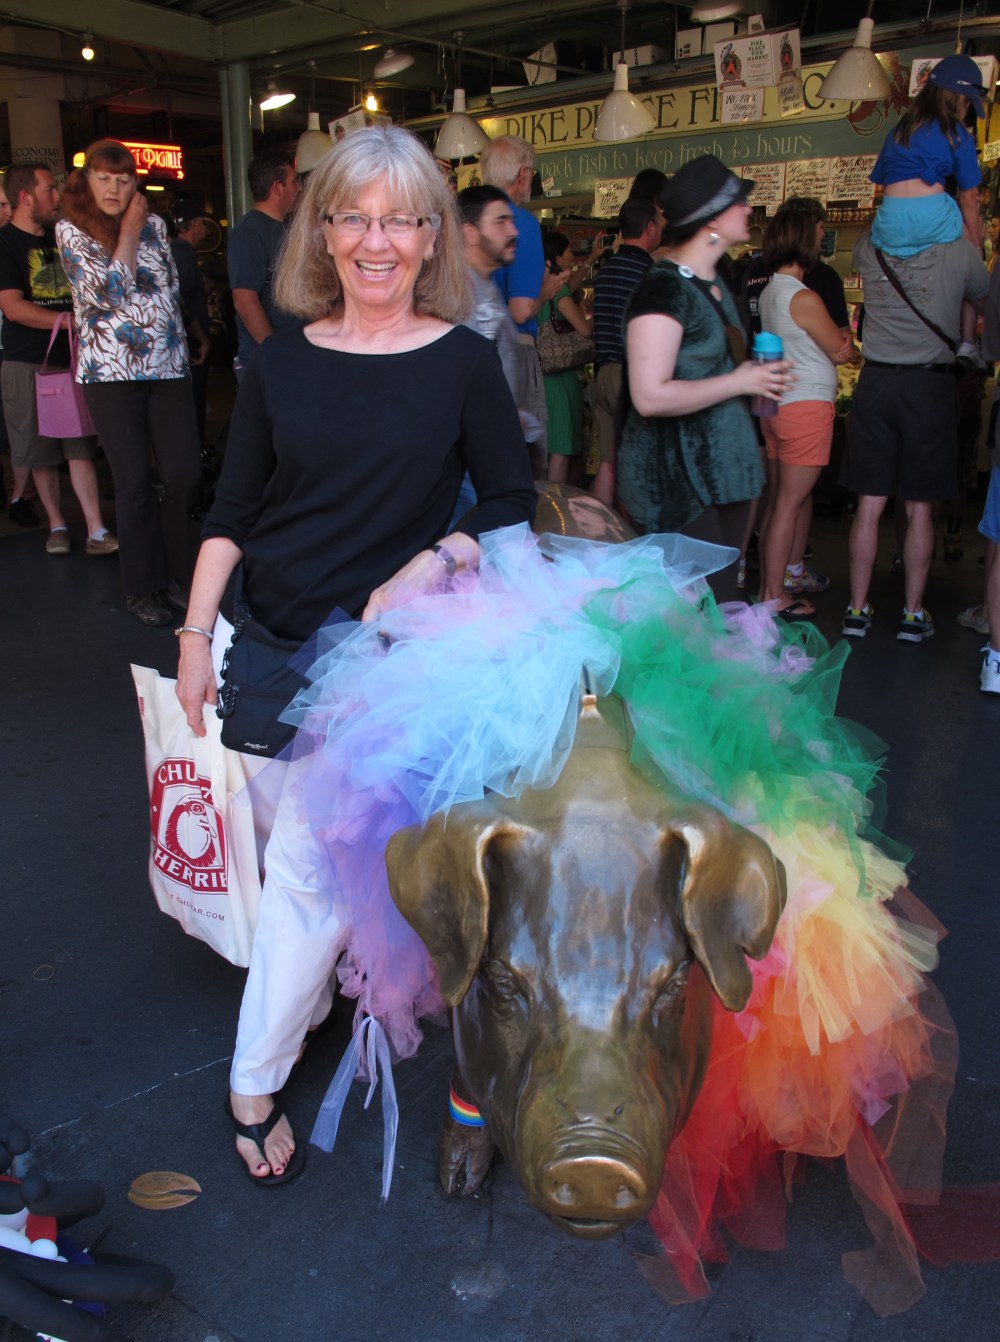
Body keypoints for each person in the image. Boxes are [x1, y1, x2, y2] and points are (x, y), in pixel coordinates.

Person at [174, 125, 536, 1184]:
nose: (376, 241)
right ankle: (308, 996)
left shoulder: (462, 360)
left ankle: (252, 1083)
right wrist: (194, 636)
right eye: (353, 218)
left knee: (306, 872)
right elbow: (233, 513)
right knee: (297, 853)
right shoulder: (280, 362)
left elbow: (510, 498)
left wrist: (435, 559)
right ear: (321, 232)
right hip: (272, 641)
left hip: (385, 660)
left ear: (431, 238)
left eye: (399, 220)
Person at [617, 155, 789, 602]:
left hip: (721, 479)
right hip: (678, 486)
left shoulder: (712, 282)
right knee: (694, 617)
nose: (748, 208)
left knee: (718, 610)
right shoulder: (663, 288)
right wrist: (741, 382)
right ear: (711, 217)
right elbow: (649, 396)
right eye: (738, 201)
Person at [56, 139, 202, 627]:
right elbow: (107, 293)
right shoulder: (72, 230)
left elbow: (170, 289)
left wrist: (186, 341)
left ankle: (180, 577)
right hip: (111, 373)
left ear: (135, 182)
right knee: (134, 482)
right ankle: (143, 587)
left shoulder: (157, 226)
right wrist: (130, 232)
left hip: (168, 366)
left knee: (183, 474)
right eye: (104, 178)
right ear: (87, 181)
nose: (114, 189)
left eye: (123, 179)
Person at [839, 222, 989, 642]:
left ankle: (856, 612)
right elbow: (986, 299)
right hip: (928, 383)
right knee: (920, 507)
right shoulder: (959, 250)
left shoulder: (870, 244)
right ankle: (912, 614)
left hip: (876, 382)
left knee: (869, 503)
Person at [0, 162, 116, 554]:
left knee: (80, 446)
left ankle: (96, 529)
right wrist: (70, 322)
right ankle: (57, 525)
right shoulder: (4, 244)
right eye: (49, 189)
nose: (57, 196)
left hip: (75, 358)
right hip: (27, 361)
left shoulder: (64, 235)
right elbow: (13, 307)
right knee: (39, 451)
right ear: (25, 197)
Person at [755, 209, 856, 620]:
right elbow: (841, 351)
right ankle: (774, 594)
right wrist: (845, 342)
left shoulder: (770, 292)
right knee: (789, 505)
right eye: (817, 232)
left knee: (779, 502)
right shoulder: (804, 297)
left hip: (775, 404)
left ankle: (767, 587)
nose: (821, 238)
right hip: (805, 406)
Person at [870, 54, 986, 365]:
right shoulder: (955, 133)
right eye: (968, 103)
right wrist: (975, 244)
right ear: (958, 98)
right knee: (972, 259)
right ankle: (967, 342)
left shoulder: (897, 132)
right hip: (932, 219)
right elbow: (968, 196)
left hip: (888, 224)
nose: (967, 110)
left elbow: (883, 181)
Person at [480, 135, 567, 473]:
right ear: (521, 175)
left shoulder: (467, 220)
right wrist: (546, 291)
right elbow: (520, 310)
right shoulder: (521, 223)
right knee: (522, 461)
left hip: (470, 349)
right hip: (514, 350)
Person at [590, 196, 662, 505]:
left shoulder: (605, 273)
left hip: (603, 375)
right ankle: (632, 532)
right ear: (649, 228)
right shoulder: (650, 274)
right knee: (639, 466)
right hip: (632, 378)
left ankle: (599, 532)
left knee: (608, 465)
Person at [227, 149, 301, 384]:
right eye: (294, 182)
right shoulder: (249, 232)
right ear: (277, 187)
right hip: (266, 362)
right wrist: (273, 349)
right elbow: (244, 300)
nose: (298, 188)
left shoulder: (285, 229)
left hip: (291, 356)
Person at [539, 231, 591, 482]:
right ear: (557, 258)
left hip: (545, 377)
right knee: (561, 449)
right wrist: (595, 316)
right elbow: (585, 330)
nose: (572, 255)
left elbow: (571, 286)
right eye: (569, 250)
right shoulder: (559, 294)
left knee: (549, 448)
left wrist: (592, 258)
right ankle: (555, 500)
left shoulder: (539, 290)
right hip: (561, 379)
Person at [169, 199, 212, 447]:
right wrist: (201, 338)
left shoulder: (174, 252)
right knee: (193, 409)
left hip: (182, 344)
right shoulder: (183, 254)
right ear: (194, 224)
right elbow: (180, 301)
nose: (205, 227)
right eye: (203, 222)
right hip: (191, 346)